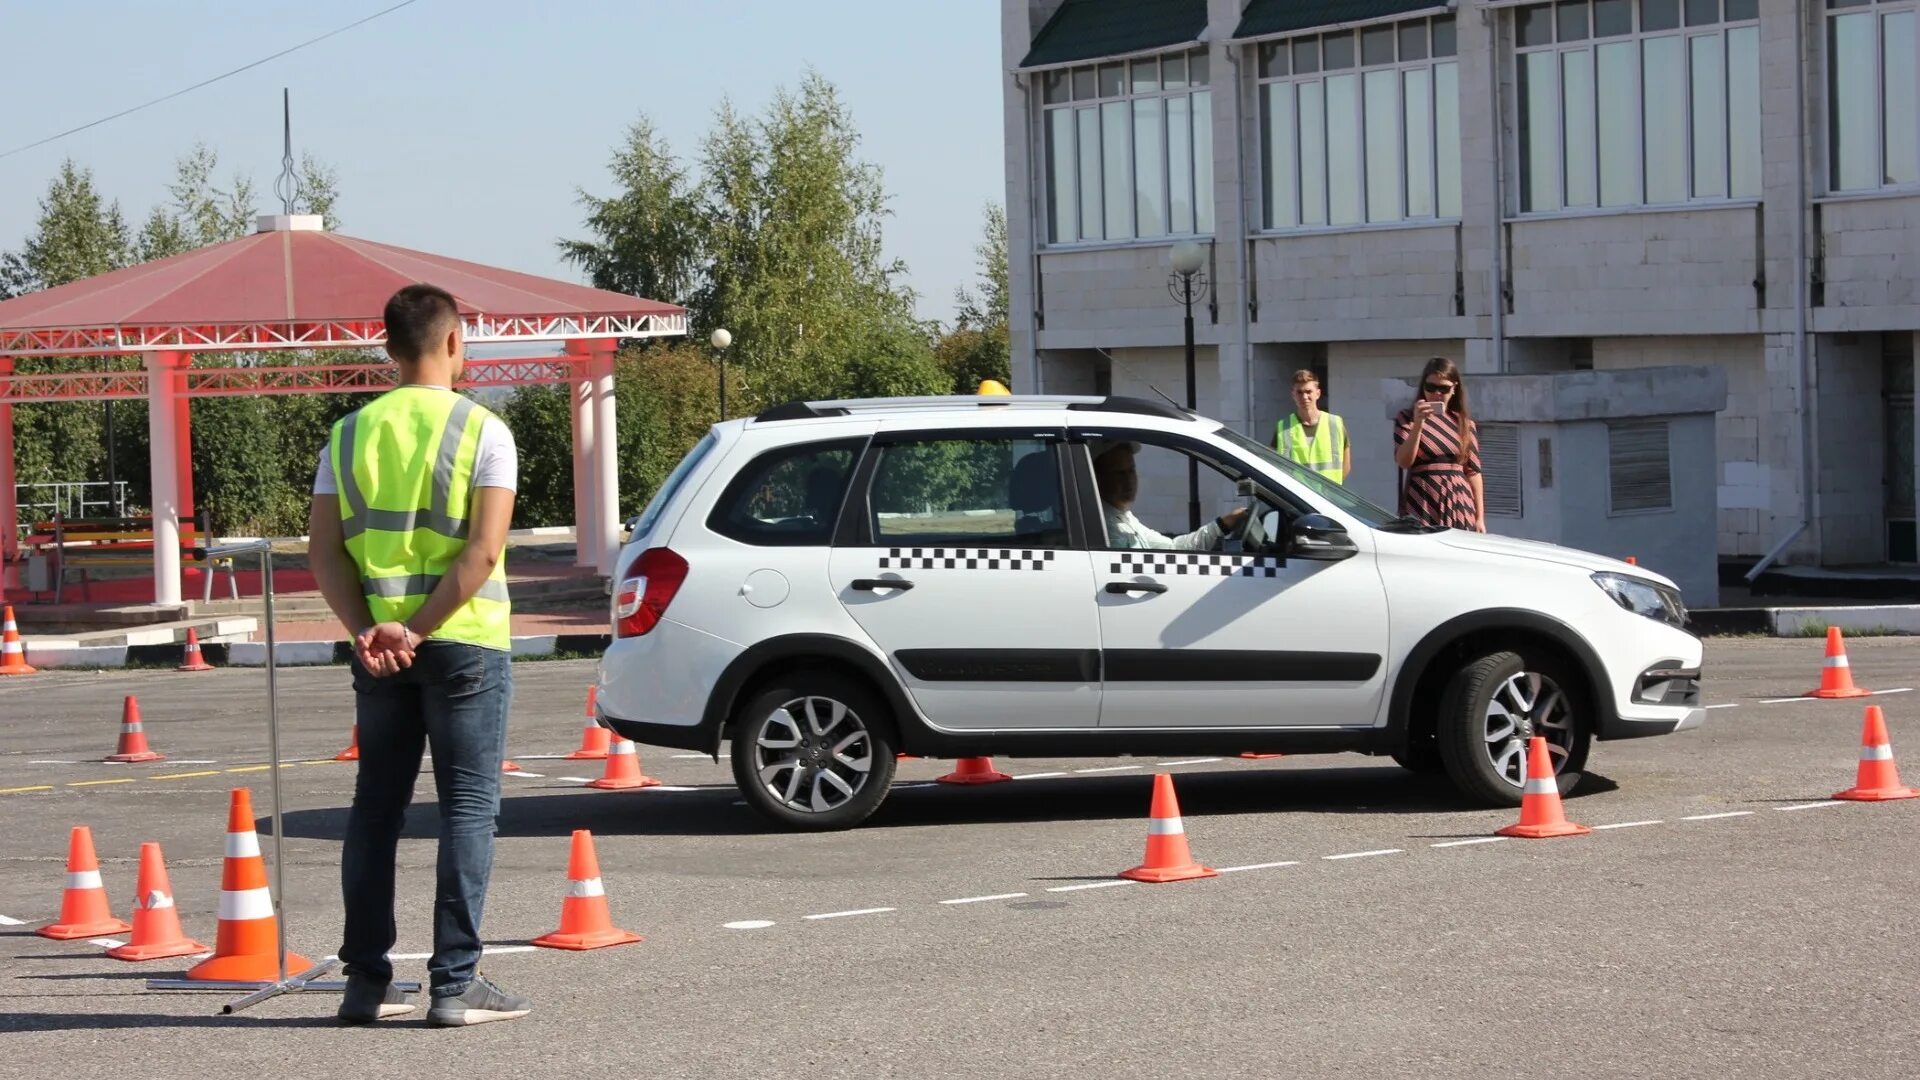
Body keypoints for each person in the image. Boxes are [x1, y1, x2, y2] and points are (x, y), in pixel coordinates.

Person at [307, 283, 530, 1028]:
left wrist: (370, 628)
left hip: (379, 651)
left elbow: (325, 551)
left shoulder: (347, 436)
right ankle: (453, 983)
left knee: (375, 810)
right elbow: (484, 551)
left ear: (390, 350)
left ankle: (365, 982)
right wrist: (422, 628)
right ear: (455, 343)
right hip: (463, 643)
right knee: (468, 809)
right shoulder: (485, 432)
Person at [1091, 441, 1247, 549]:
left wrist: (1223, 524)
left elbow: (1174, 548)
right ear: (1098, 478)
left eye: (1131, 471)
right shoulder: (1103, 526)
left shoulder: (1123, 517)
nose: (1128, 480)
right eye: (1119, 473)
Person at [1392, 357, 1485, 532]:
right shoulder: (1407, 418)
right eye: (1430, 387)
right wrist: (1418, 424)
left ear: (1454, 389)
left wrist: (1480, 517)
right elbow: (1404, 461)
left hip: (1459, 498)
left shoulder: (1464, 423)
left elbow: (1473, 472)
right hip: (1422, 497)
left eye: (1443, 389)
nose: (1436, 394)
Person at [1274, 369, 1350, 483]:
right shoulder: (1283, 427)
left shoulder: (1335, 424)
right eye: (1299, 392)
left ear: (1318, 393)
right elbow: (1275, 466)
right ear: (1293, 395)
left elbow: (1346, 467)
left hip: (1326, 498)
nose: (1304, 397)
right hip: (1295, 498)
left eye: (1308, 391)